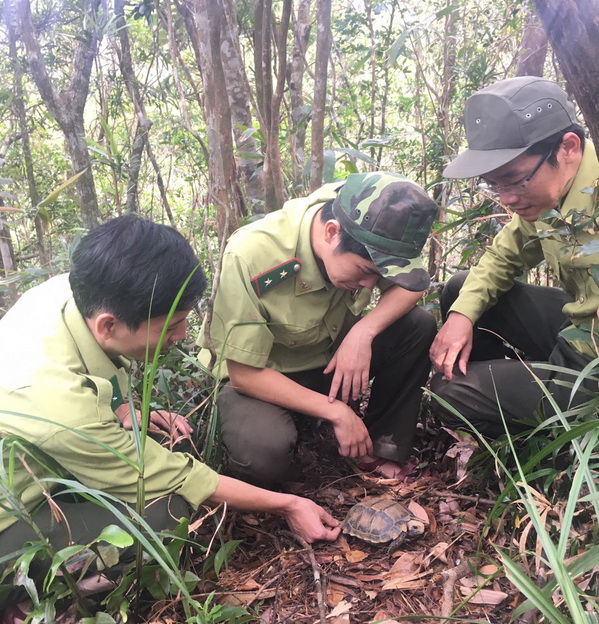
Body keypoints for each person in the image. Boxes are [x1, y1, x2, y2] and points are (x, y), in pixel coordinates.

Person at [0, 216, 340, 588]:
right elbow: (181, 477)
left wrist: (121, 408)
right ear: (108, 325)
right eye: (170, 325)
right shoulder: (56, 401)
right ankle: (24, 589)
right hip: (13, 520)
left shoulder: (71, 293)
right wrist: (289, 504)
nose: (183, 336)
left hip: (42, 454)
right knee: (167, 513)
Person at [198, 172, 438, 486]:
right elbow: (243, 373)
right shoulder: (251, 254)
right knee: (263, 452)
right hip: (261, 376)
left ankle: (381, 446)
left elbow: (411, 286)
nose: (371, 284)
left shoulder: (372, 215)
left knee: (417, 325)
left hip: (327, 360)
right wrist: (338, 412)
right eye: (365, 271)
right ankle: (301, 470)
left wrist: (363, 332)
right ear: (331, 232)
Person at [429, 76, 599, 436]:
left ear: (568, 147)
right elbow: (503, 257)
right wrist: (460, 316)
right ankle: (520, 389)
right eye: (495, 184)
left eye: (515, 180)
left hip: (592, 361)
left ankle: (549, 446)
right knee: (461, 291)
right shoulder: (549, 197)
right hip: (578, 325)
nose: (505, 198)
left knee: (450, 395)